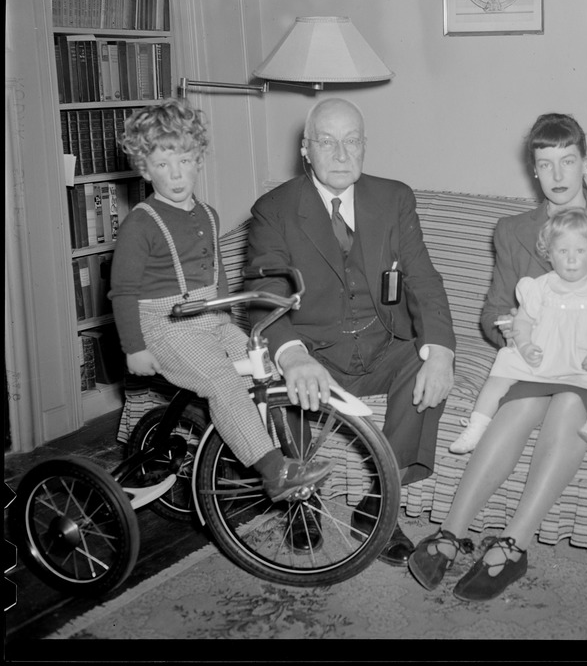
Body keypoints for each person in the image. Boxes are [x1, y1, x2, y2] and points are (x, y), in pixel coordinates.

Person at [407, 112, 587, 601]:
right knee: (519, 404)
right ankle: (449, 533)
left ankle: (513, 546)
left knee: (570, 403)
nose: (559, 175)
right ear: (534, 170)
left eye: (568, 161)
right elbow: (494, 307)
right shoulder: (511, 231)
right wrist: (507, 332)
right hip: (539, 359)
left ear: (586, 163)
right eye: (546, 165)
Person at [244, 97, 456, 566]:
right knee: (278, 378)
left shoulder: (395, 197)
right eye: (327, 142)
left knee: (425, 365)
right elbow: (266, 291)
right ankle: (301, 502)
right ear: (306, 149)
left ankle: (379, 504)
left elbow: (421, 276)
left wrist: (441, 349)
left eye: (352, 141)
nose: (341, 154)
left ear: (365, 146)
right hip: (317, 353)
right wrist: (293, 355)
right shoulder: (273, 210)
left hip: (382, 347)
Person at [109, 99, 334, 538]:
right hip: (165, 325)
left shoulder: (208, 214)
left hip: (209, 315)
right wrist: (134, 347)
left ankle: (284, 451)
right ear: (144, 169)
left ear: (198, 161)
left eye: (186, 161)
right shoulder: (141, 223)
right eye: (162, 164)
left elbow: (220, 277)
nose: (176, 174)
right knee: (221, 381)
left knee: (263, 367)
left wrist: (234, 324)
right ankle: (273, 471)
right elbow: (123, 292)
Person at [449, 206, 587, 455]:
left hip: (586, 358)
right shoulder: (539, 287)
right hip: (544, 356)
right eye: (562, 251)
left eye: (580, 250)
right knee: (503, 365)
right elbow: (523, 322)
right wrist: (525, 345)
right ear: (549, 254)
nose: (571, 259)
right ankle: (477, 425)